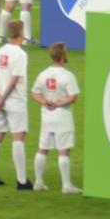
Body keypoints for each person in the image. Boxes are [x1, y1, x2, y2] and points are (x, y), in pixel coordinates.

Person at [30, 41, 82, 194]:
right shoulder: (68, 75)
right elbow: (73, 97)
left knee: (43, 149)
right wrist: (59, 103)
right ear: (63, 55)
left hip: (47, 116)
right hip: (62, 117)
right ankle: (66, 185)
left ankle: (38, 182)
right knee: (63, 151)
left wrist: (45, 102)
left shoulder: (43, 74)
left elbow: (35, 93)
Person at [0, 20, 32, 190]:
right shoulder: (20, 55)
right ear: (21, 33)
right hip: (15, 101)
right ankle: (21, 181)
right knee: (18, 138)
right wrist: (3, 99)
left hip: (0, 100)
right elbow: (14, 80)